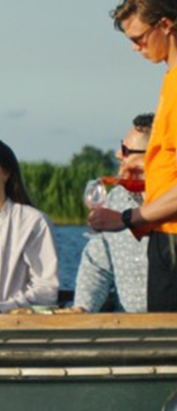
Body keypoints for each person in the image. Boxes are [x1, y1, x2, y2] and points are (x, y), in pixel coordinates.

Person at [88, 0, 177, 311]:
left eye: (139, 38)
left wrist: (128, 217)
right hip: (164, 234)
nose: (135, 48)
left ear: (165, 25)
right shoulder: (170, 79)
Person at [0, 137, 60, 311]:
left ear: (6, 172)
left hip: (12, 322)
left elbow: (46, 290)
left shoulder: (33, 221)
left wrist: (2, 307)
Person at [74, 114, 152, 313]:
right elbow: (97, 264)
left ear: (154, 155)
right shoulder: (116, 198)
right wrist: (83, 309)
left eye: (126, 150)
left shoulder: (170, 202)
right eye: (120, 146)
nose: (118, 154)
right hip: (127, 329)